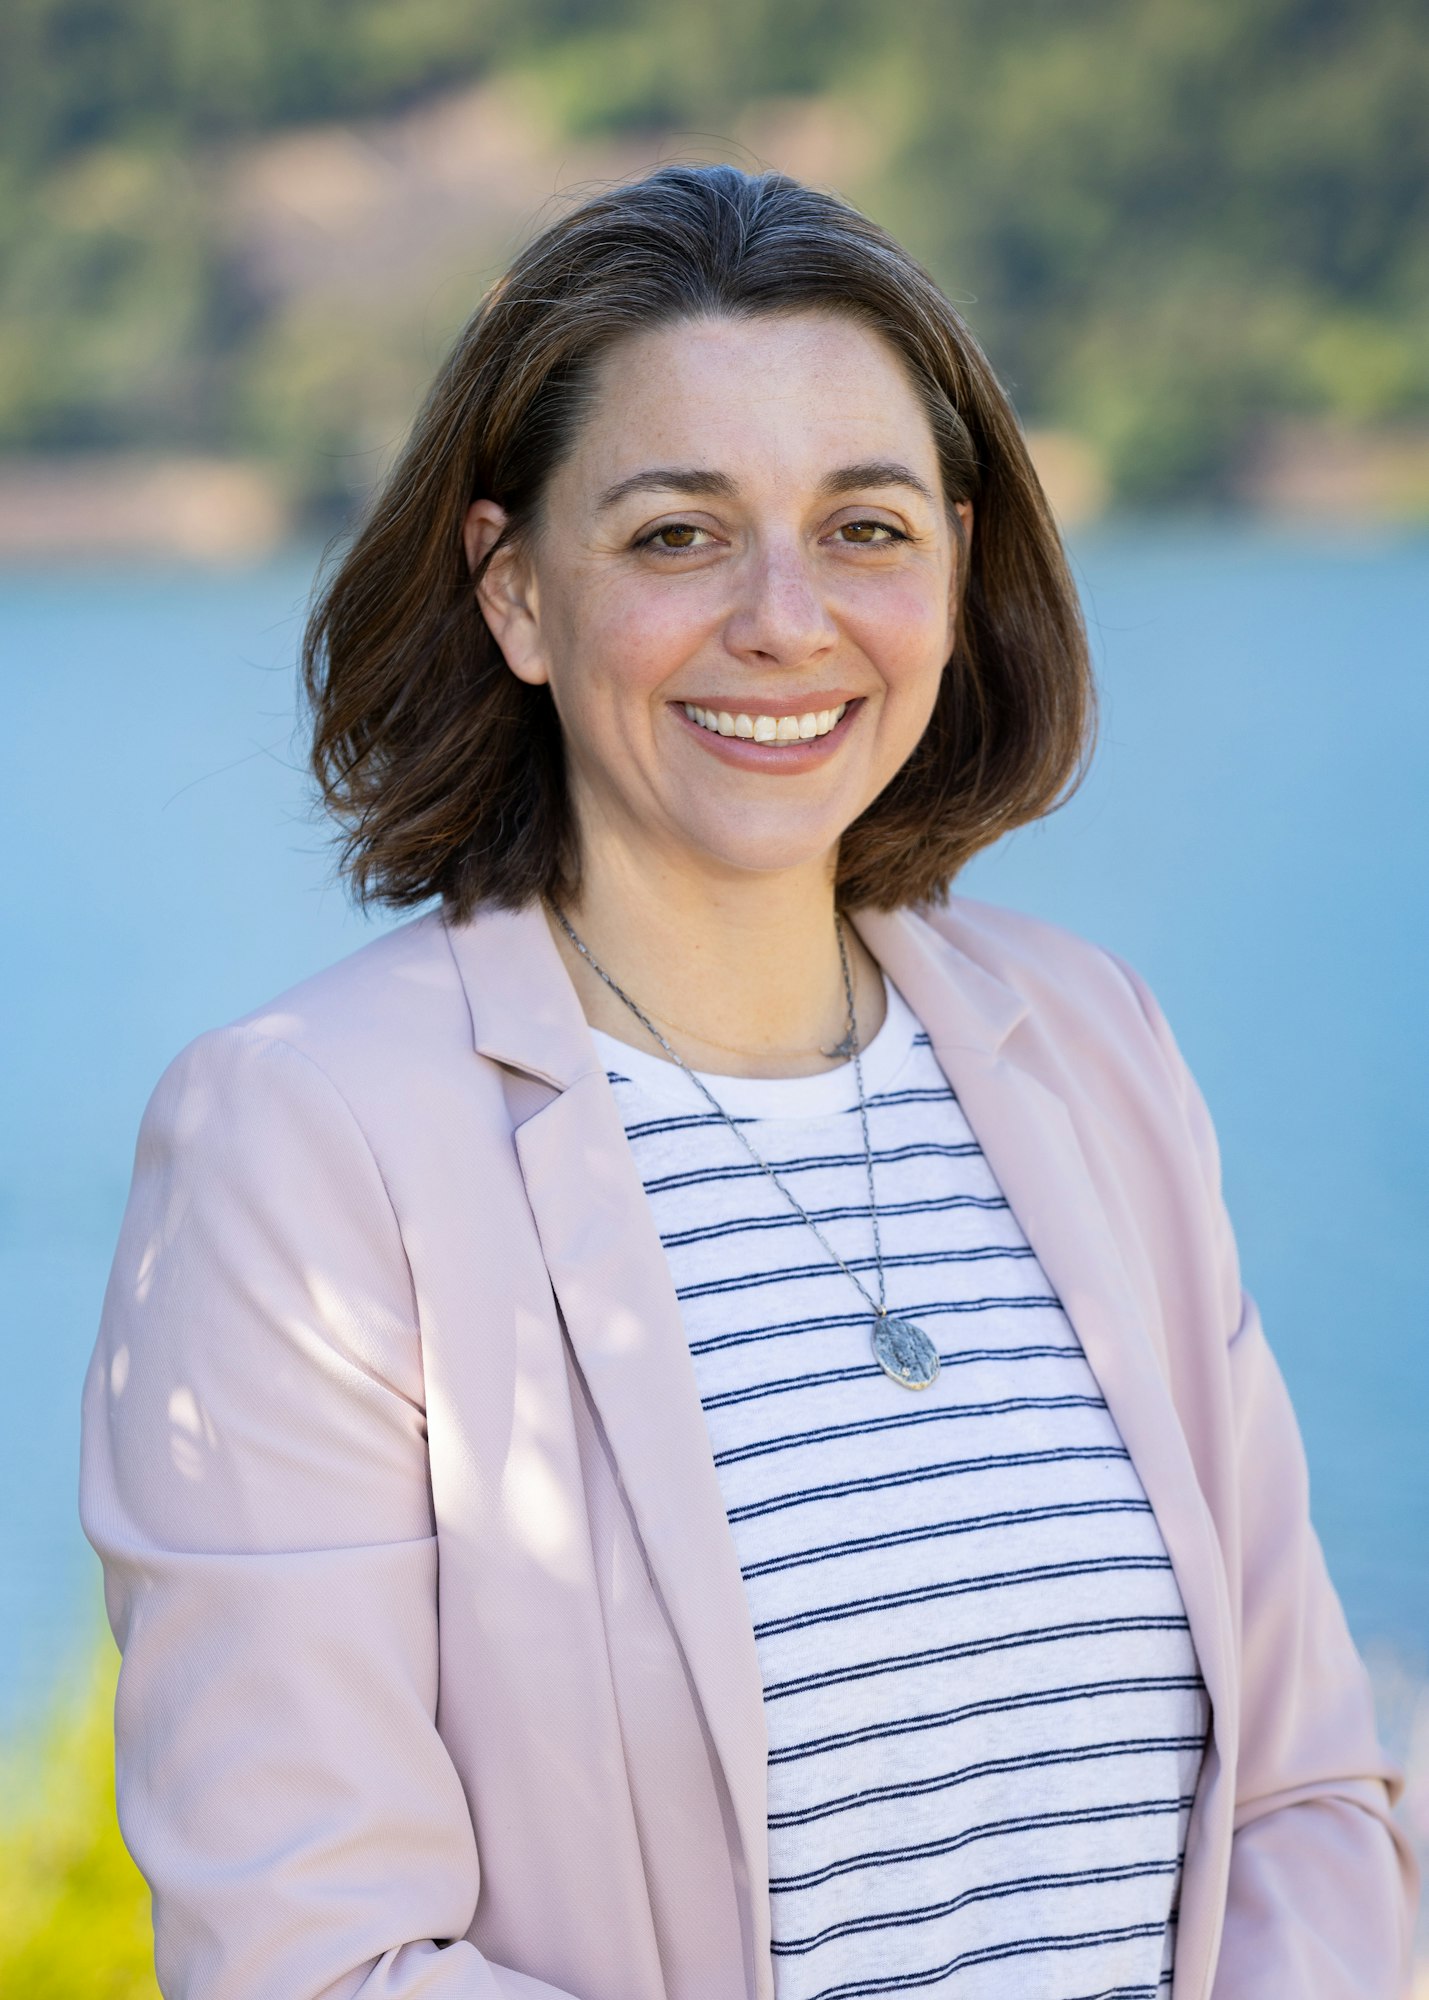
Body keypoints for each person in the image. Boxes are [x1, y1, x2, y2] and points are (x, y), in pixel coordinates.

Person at [81, 164, 1416, 2000]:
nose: (785, 619)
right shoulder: (307, 1143)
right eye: (673, 535)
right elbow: (314, 1963)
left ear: (955, 567)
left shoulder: (1090, 1045)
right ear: (516, 592)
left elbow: (1303, 1793)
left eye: (863, 527)